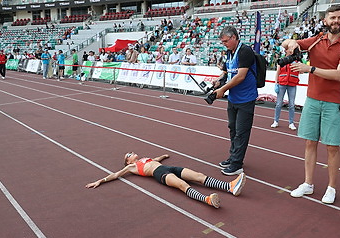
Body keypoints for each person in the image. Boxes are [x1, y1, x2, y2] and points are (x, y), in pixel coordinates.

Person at [282, 5, 340, 204]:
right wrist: (291, 43)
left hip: (334, 102)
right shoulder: (317, 40)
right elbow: (287, 41)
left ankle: (331, 187)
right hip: (313, 99)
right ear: (325, 20)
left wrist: (310, 68)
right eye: (332, 17)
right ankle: (308, 184)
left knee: (332, 147)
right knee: (310, 142)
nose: (336, 21)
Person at [85, 152, 246, 208]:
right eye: (129, 155)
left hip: (170, 167)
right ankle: (207, 200)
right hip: (160, 174)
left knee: (198, 176)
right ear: (128, 161)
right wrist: (100, 181)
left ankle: (229, 186)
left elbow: (156, 159)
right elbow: (116, 174)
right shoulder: (131, 168)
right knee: (183, 185)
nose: (133, 153)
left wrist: (164, 156)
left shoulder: (145, 159)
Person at [212, 26, 258, 176]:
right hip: (233, 98)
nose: (224, 44)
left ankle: (237, 164)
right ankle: (233, 157)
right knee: (232, 128)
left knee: (241, 132)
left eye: (225, 41)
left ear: (234, 38)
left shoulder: (245, 51)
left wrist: (223, 89)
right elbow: (226, 72)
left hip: (246, 98)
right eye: (222, 42)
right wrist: (219, 81)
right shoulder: (228, 52)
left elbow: (240, 76)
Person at [271, 55, 300, 130]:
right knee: (279, 103)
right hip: (282, 83)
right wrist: (276, 83)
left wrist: (296, 63)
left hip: (292, 84)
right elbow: (278, 72)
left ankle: (291, 122)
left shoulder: (296, 60)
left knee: (292, 104)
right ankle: (275, 121)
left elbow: (302, 71)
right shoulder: (281, 60)